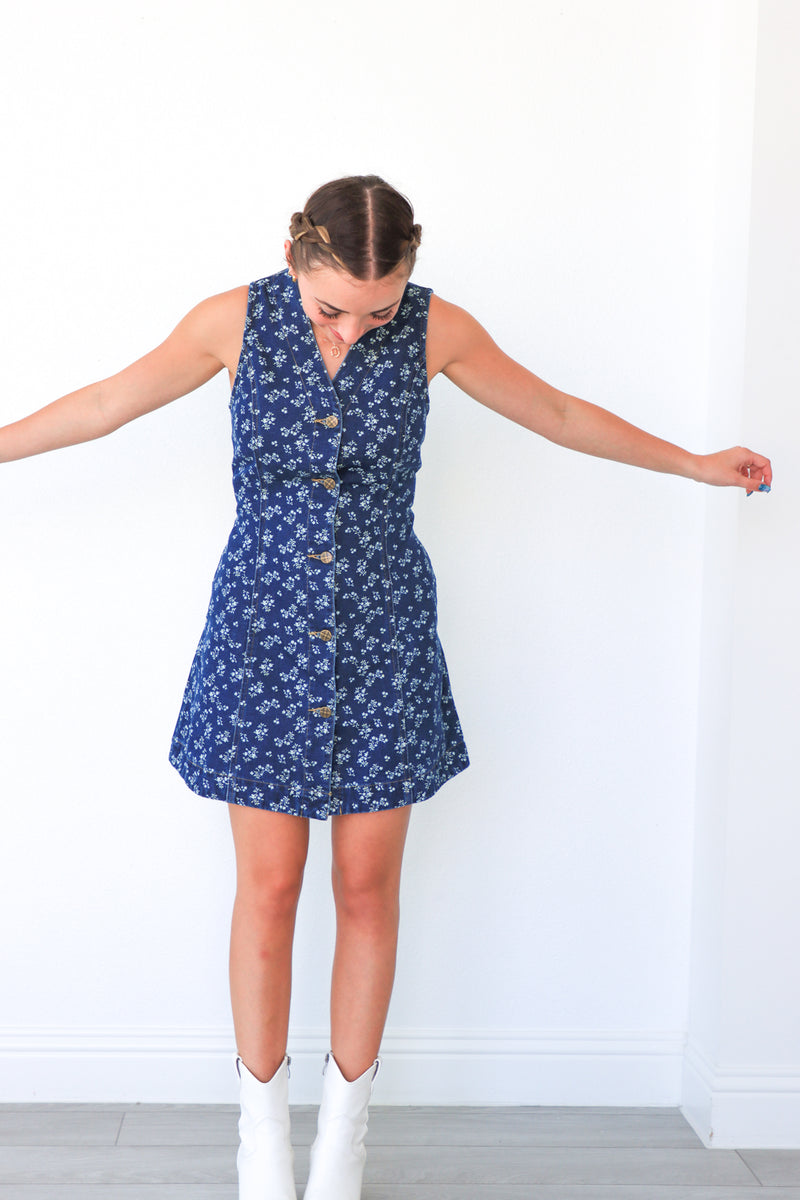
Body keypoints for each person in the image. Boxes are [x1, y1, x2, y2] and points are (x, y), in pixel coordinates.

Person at [1, 174, 771, 1200]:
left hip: (382, 633)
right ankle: (262, 1146)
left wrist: (687, 463)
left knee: (366, 890)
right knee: (267, 890)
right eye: (332, 308)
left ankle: (341, 1148)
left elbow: (549, 410)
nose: (356, 328)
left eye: (379, 307)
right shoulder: (229, 320)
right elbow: (105, 402)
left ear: (406, 274)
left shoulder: (435, 326)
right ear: (295, 263)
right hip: (262, 630)